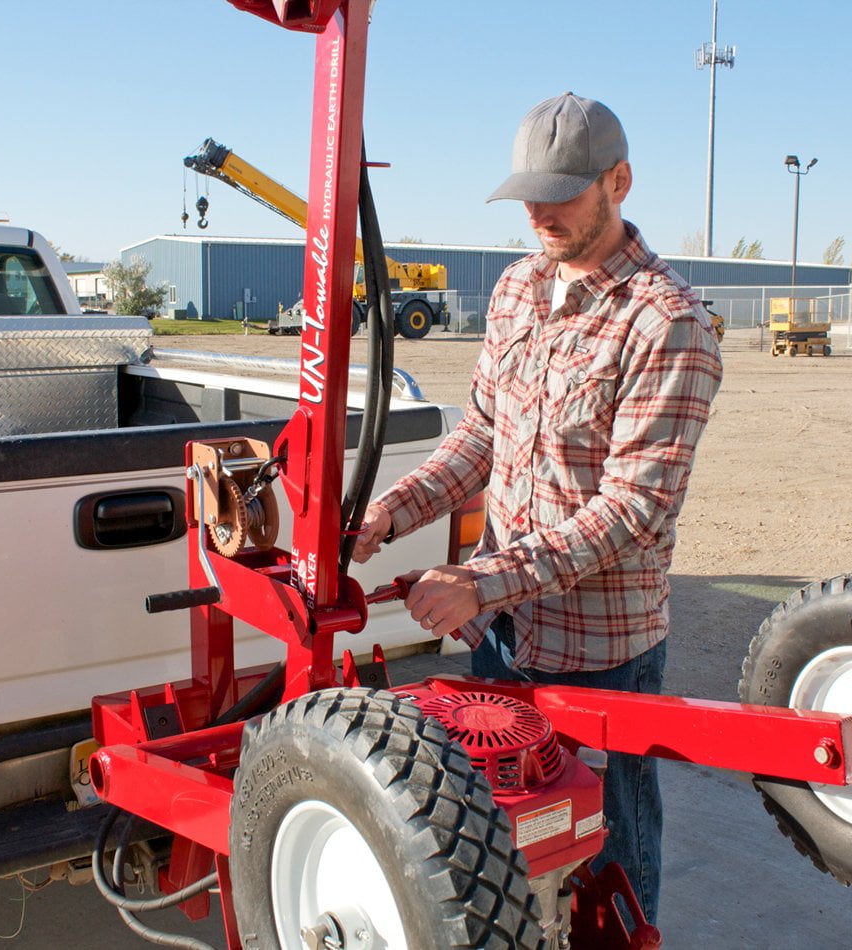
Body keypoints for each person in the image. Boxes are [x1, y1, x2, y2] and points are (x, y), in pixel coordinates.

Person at [352, 92, 723, 926]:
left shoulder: (667, 324)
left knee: (606, 861)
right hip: (506, 635)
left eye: (559, 193)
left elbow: (632, 509)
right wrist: (392, 509)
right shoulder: (519, 288)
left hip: (601, 649)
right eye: (528, 192)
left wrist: (483, 580)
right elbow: (483, 430)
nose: (536, 211)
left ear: (617, 182)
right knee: (501, 843)